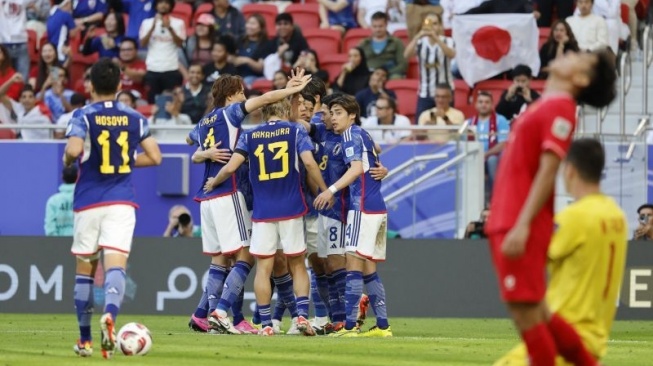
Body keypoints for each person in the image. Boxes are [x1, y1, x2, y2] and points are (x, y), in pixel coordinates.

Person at [485, 49, 617, 366]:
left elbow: (549, 170)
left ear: (581, 78)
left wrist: (523, 224)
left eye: (581, 58)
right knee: (539, 313)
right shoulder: (547, 104)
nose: (571, 53)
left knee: (526, 317)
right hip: (509, 216)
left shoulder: (561, 108)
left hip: (517, 220)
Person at [186, 70, 314, 336]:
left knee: (220, 259)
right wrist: (290, 90)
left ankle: (203, 314)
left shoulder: (203, 122)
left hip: (205, 197)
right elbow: (266, 98)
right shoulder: (230, 113)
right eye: (242, 91)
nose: (245, 96)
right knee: (246, 255)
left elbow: (189, 143)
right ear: (231, 94)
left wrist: (204, 154)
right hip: (226, 192)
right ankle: (220, 312)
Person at [494, 138, 628, 365]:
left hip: (564, 336)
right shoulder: (617, 216)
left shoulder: (576, 217)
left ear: (570, 169)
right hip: (594, 337)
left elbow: (532, 255)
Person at [63, 58, 162, 358]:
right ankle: (111, 315)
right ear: (120, 85)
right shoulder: (135, 117)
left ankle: (85, 341)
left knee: (85, 270)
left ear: (90, 85)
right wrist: (124, 161)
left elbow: (74, 150)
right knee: (115, 265)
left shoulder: (82, 114)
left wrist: (69, 160)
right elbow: (156, 157)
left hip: (89, 201)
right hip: (121, 200)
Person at [315, 94, 392, 338]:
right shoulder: (364, 133)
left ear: (352, 115)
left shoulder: (349, 135)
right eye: (332, 112)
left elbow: (357, 168)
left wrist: (331, 189)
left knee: (353, 266)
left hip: (362, 206)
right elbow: (373, 162)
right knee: (369, 269)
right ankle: (382, 326)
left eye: (338, 113)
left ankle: (348, 327)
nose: (334, 118)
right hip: (377, 206)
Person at [404, 12, 455, 121]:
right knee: (421, 125)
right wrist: (418, 35)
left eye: (435, 23)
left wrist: (435, 38)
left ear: (441, 26)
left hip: (445, 92)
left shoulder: (448, 41)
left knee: (448, 124)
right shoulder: (420, 42)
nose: (432, 27)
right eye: (429, 23)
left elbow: (451, 54)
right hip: (425, 92)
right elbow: (406, 55)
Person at [139, 0, 186, 103]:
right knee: (153, 102)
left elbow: (180, 44)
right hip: (153, 68)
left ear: (170, 5)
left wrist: (169, 28)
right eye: (160, 2)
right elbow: (142, 44)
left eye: (166, 2)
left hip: (171, 68)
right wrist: (153, 27)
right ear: (156, 5)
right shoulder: (146, 23)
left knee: (171, 102)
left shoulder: (179, 23)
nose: (163, 5)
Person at [467, 91, 510, 196]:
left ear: (492, 104)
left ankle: (495, 198)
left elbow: (504, 144)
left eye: (487, 102)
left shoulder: (500, 120)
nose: (483, 105)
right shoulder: (469, 123)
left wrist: (486, 154)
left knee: (492, 160)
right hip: (474, 158)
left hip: (494, 157)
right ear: (476, 104)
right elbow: (463, 144)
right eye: (480, 102)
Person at [358, 12, 407, 79]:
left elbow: (402, 65)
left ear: (386, 25)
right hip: (368, 74)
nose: (377, 29)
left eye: (380, 26)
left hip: (389, 74)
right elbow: (356, 62)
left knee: (396, 78)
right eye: (375, 26)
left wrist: (386, 73)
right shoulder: (364, 43)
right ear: (371, 26)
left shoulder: (396, 42)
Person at [44, 165, 78, 236]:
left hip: (57, 245)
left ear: (62, 177)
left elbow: (50, 228)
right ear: (78, 177)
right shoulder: (84, 199)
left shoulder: (53, 201)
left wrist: (56, 244)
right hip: (80, 244)